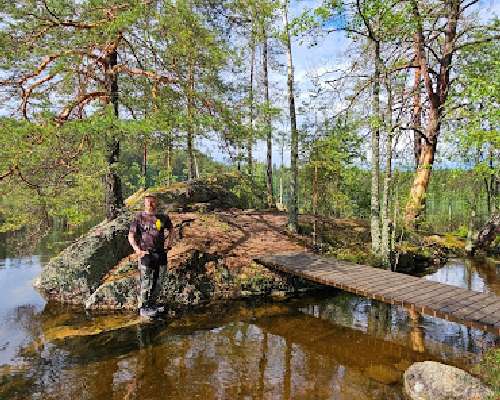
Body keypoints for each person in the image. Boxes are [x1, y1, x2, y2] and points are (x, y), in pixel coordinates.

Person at [128, 194, 174, 318]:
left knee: (159, 280)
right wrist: (137, 250)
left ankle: (152, 304)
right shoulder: (139, 218)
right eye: (148, 202)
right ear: (145, 204)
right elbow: (131, 236)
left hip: (161, 254)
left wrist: (169, 243)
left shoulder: (163, 217)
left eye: (153, 202)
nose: (150, 205)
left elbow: (171, 229)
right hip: (146, 254)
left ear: (156, 203)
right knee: (146, 281)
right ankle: (143, 307)